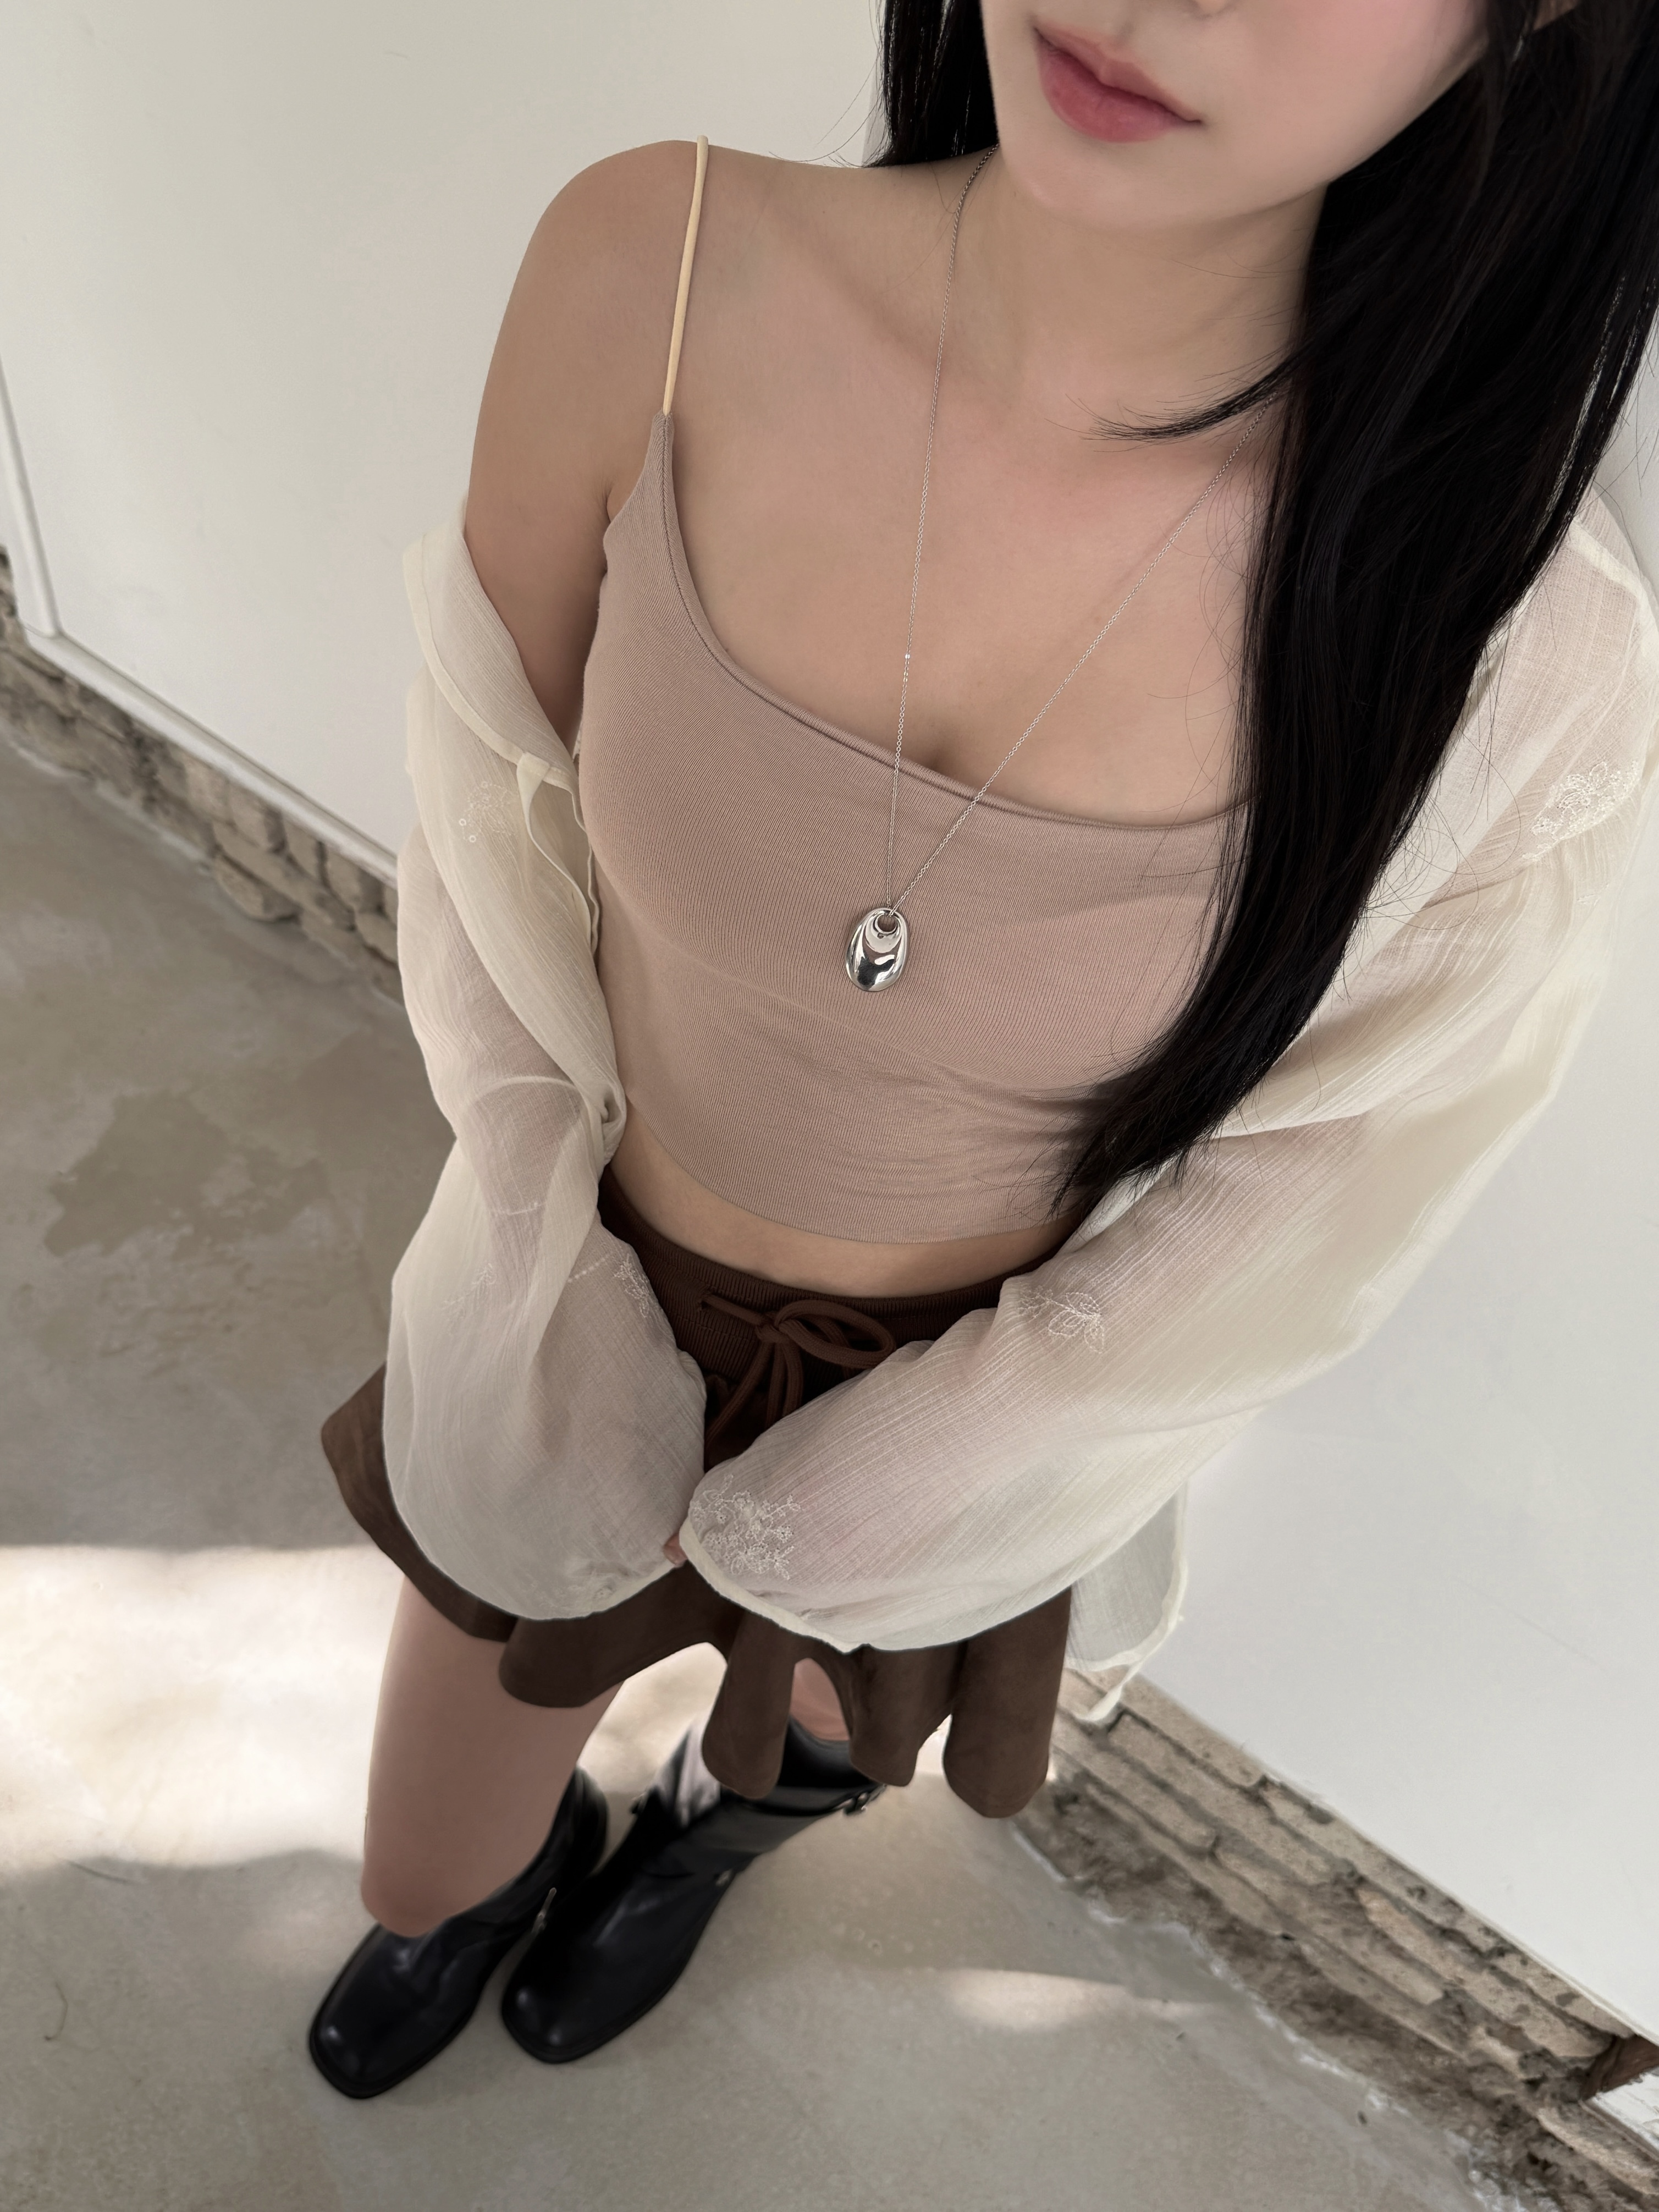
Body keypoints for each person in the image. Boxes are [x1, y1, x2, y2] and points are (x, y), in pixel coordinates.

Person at [307, 0, 1659, 2099]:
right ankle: (529, 1856)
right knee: (423, 1862)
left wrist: (897, 1491)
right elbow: (489, 823)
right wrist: (536, 1256)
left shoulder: (1514, 650)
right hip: (573, 1284)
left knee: (821, 1736)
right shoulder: (655, 266)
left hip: (993, 1403)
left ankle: (705, 1835)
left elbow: (1322, 1201)